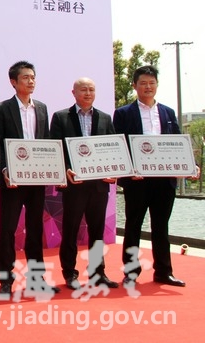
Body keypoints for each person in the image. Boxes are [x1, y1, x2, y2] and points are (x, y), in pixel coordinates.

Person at [114, 65, 199, 288]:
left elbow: (178, 142)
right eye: (143, 83)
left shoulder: (168, 112)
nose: (148, 87)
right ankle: (131, 272)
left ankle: (163, 272)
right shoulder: (123, 113)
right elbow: (119, 146)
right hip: (137, 181)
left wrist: (191, 166)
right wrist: (128, 171)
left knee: (161, 227)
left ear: (157, 86)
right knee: (133, 226)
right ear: (134, 85)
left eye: (152, 83)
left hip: (164, 180)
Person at [0, 61, 59, 295]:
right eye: (25, 77)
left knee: (35, 229)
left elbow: (47, 142)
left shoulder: (41, 108)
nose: (31, 81)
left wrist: (53, 170)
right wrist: (3, 171)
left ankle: (36, 278)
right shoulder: (1, 109)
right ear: (13, 82)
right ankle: (5, 279)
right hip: (13, 181)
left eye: (33, 77)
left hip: (36, 180)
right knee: (8, 230)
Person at [49, 77, 119, 290]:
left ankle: (98, 272)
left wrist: (115, 171)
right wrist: (65, 170)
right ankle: (70, 273)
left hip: (99, 185)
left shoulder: (105, 118)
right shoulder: (61, 117)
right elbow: (55, 149)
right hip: (75, 184)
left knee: (97, 231)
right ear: (74, 93)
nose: (88, 93)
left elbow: (113, 148)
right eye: (83, 90)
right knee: (70, 230)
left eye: (91, 90)